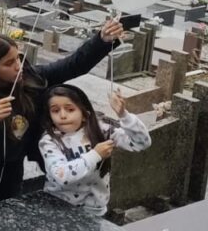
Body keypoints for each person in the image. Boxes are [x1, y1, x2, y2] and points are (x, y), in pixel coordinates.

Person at [0, 18, 124, 213]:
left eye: (18, 57)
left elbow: (72, 65)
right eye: (9, 63)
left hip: (11, 169)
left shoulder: (30, 78)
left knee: (5, 219)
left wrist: (102, 40)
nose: (18, 66)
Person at [40, 85, 150, 216]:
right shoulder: (49, 141)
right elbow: (62, 176)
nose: (63, 115)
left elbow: (142, 143)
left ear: (85, 114)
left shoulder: (101, 130)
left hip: (94, 209)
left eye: (70, 109)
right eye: (55, 111)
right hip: (59, 208)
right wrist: (96, 154)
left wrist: (124, 115)